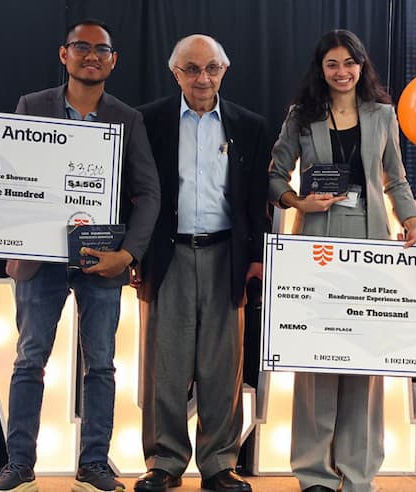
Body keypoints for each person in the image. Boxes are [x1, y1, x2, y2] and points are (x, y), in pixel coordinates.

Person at [0, 18, 161, 492]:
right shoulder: (32, 106)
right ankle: (19, 463)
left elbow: (149, 194)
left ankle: (94, 464)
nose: (91, 55)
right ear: (63, 54)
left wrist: (128, 254)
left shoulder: (126, 119)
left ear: (113, 60)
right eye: (81, 47)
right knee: (29, 360)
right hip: (39, 259)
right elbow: (5, 180)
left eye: (101, 50)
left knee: (102, 365)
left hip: (102, 259)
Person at [268, 29, 416, 492]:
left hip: (371, 242)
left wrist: (411, 218)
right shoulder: (301, 116)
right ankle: (313, 473)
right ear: (321, 69)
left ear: (361, 65)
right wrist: (298, 203)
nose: (342, 72)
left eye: (349, 63)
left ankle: (358, 474)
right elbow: (275, 175)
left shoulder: (382, 114)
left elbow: (395, 177)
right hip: (316, 240)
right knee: (315, 358)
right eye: (332, 63)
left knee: (364, 358)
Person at [132, 34, 271, 492]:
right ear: (175, 73)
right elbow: (133, 192)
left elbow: (255, 202)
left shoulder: (248, 125)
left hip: (226, 255)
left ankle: (219, 464)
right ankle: (164, 462)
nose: (202, 78)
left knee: (222, 366)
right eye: (191, 69)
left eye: (210, 68)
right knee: (165, 365)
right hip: (166, 256)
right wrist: (133, 251)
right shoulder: (147, 121)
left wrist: (256, 257)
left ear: (223, 71)